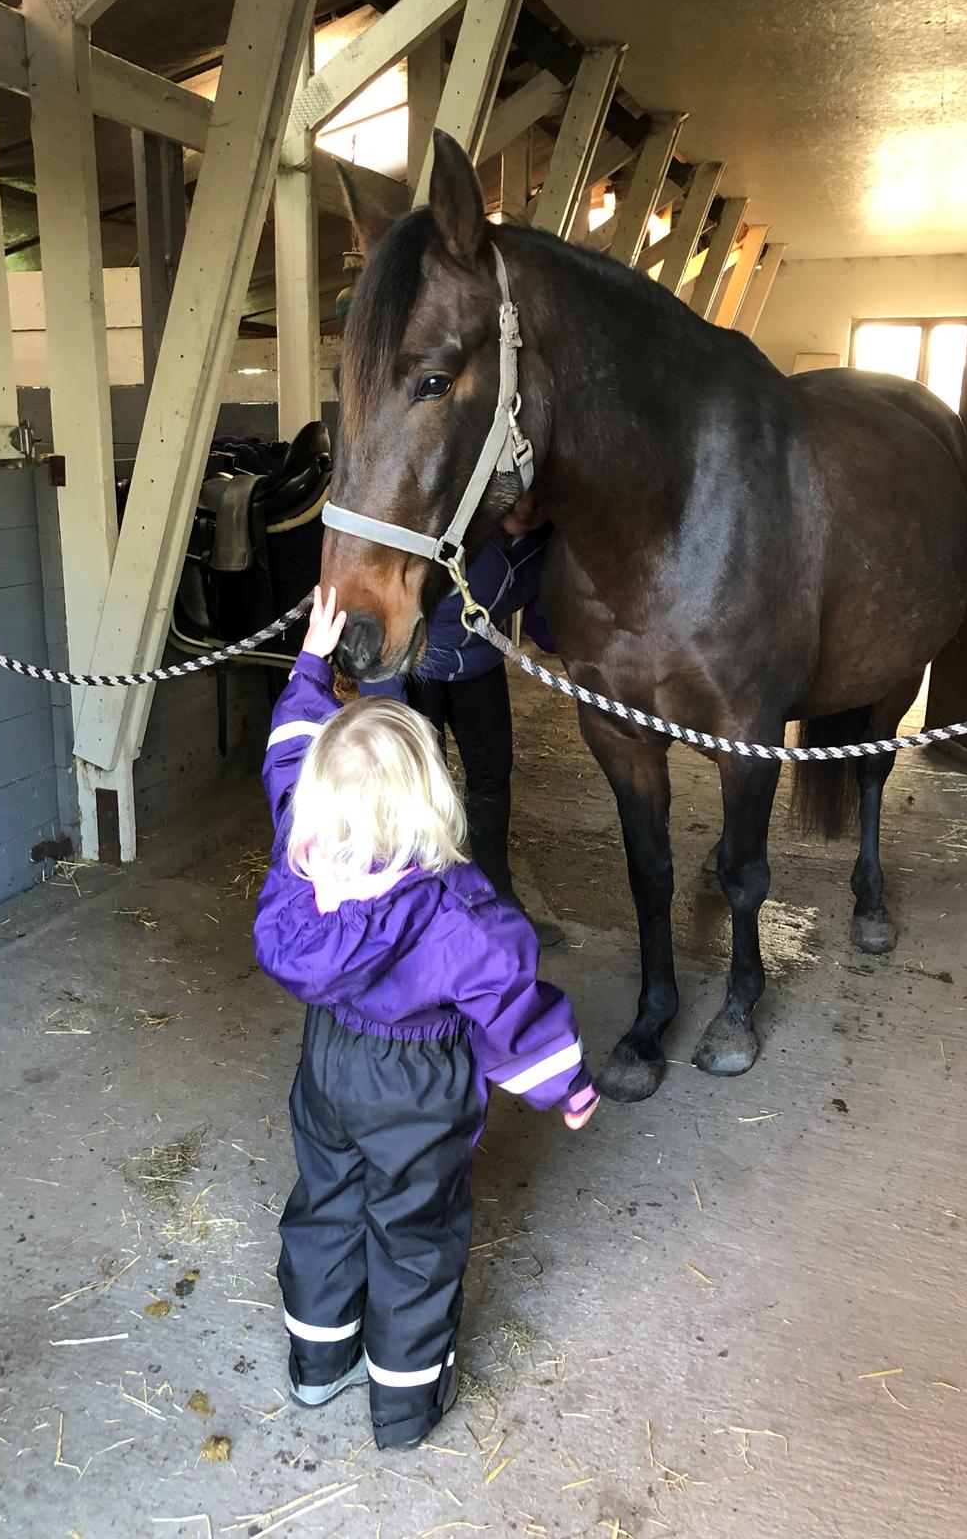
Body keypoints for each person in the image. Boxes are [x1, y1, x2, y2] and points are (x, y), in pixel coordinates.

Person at [253, 587, 599, 1452]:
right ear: (431, 803)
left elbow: (291, 750)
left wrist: (311, 665)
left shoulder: (299, 855)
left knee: (326, 1198)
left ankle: (316, 1366)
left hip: (330, 1062)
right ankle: (404, 1406)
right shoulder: (460, 913)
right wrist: (567, 1082)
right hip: (416, 1079)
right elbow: (510, 1010)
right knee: (415, 1231)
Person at [360, 525, 558, 939]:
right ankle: (423, 909)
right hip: (417, 664)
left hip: (478, 664)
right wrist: (386, 701)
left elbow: (544, 620)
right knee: (419, 785)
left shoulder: (531, 535)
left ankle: (498, 900)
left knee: (491, 776)